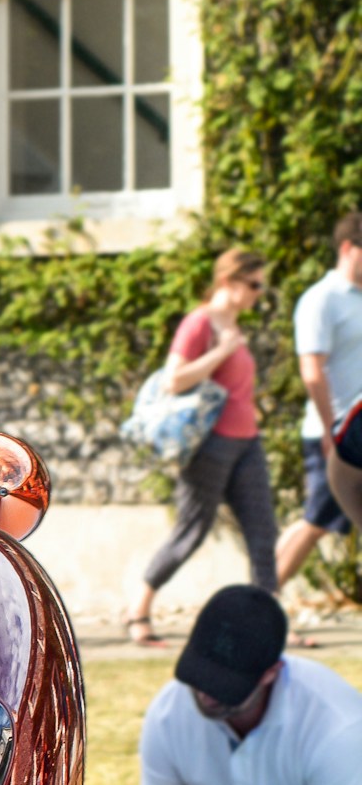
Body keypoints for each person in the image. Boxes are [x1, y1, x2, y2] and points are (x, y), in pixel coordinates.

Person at [128, 585, 362, 785]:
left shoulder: (337, 729)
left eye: (224, 684)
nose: (206, 694)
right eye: (201, 673)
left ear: (271, 673)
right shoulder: (170, 711)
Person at [125, 247, 274, 644]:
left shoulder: (234, 323)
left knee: (263, 532)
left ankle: (269, 627)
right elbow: (174, 380)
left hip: (248, 443)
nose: (260, 292)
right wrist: (223, 350)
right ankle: (138, 610)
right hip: (210, 445)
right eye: (255, 284)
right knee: (192, 530)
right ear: (229, 281)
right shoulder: (199, 324)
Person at [276, 211, 362, 590]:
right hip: (334, 433)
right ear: (348, 248)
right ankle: (260, 604)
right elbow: (312, 370)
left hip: (355, 430)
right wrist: (330, 429)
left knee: (316, 522)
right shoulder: (321, 300)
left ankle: (262, 597)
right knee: (314, 523)